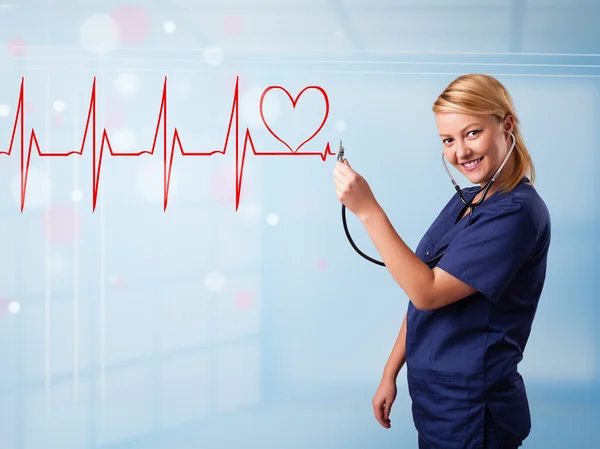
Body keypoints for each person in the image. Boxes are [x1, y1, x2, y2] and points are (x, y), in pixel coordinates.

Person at [332, 73, 551, 449]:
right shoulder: (466, 201)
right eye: (448, 140)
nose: (460, 152)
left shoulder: (516, 214)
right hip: (437, 402)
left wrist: (367, 210)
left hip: (473, 411)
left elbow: (426, 293)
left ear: (507, 126)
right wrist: (390, 372)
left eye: (472, 133)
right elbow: (421, 279)